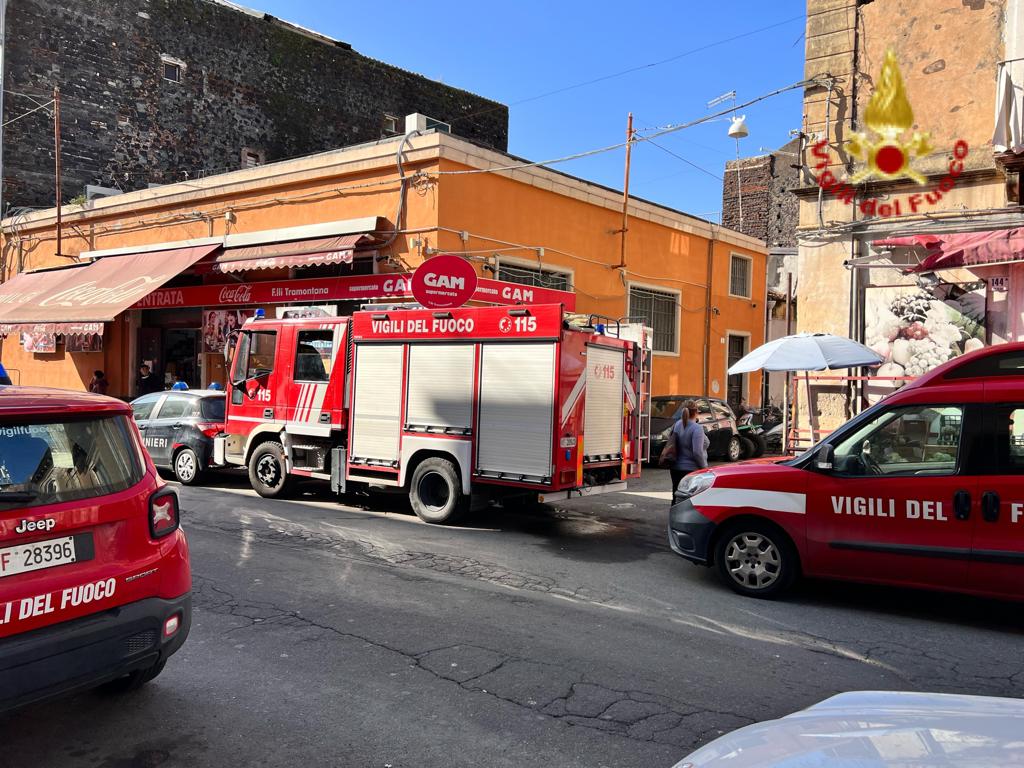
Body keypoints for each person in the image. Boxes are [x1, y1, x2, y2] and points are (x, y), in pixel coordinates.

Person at [669, 399, 710, 492]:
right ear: (696, 412)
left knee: (676, 496)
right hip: (691, 469)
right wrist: (704, 468)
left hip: (675, 468)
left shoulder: (677, 424)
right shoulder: (697, 428)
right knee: (690, 499)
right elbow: (697, 452)